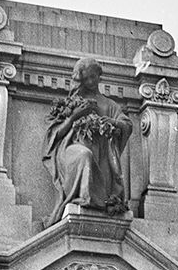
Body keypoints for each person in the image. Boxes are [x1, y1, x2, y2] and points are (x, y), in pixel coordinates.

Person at [43, 57, 133, 225]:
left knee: (90, 155)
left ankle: (97, 200)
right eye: (86, 78)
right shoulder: (70, 104)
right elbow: (54, 135)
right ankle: (85, 198)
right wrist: (74, 116)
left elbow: (126, 125)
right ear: (80, 79)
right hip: (70, 150)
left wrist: (110, 122)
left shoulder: (109, 104)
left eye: (94, 77)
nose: (91, 81)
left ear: (99, 76)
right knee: (85, 154)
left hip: (102, 154)